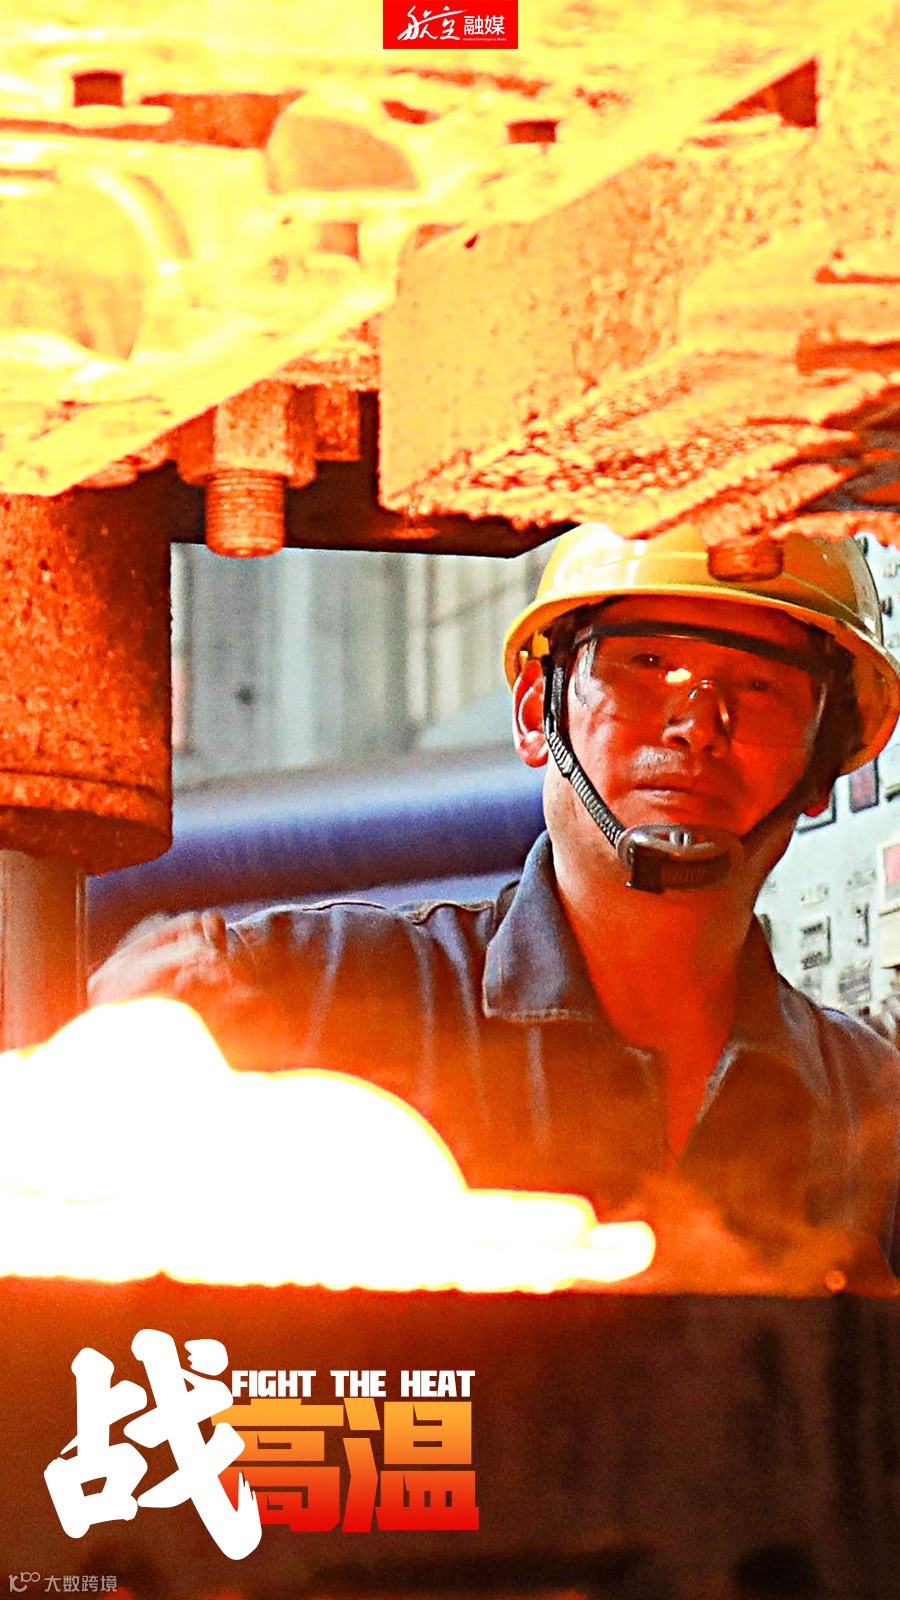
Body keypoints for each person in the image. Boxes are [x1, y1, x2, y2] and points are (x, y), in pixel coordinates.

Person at [90, 524, 900, 1285]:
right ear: (535, 715)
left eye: (759, 686)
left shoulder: (872, 1106)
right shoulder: (304, 997)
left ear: (824, 767)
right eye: (645, 664)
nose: (696, 724)